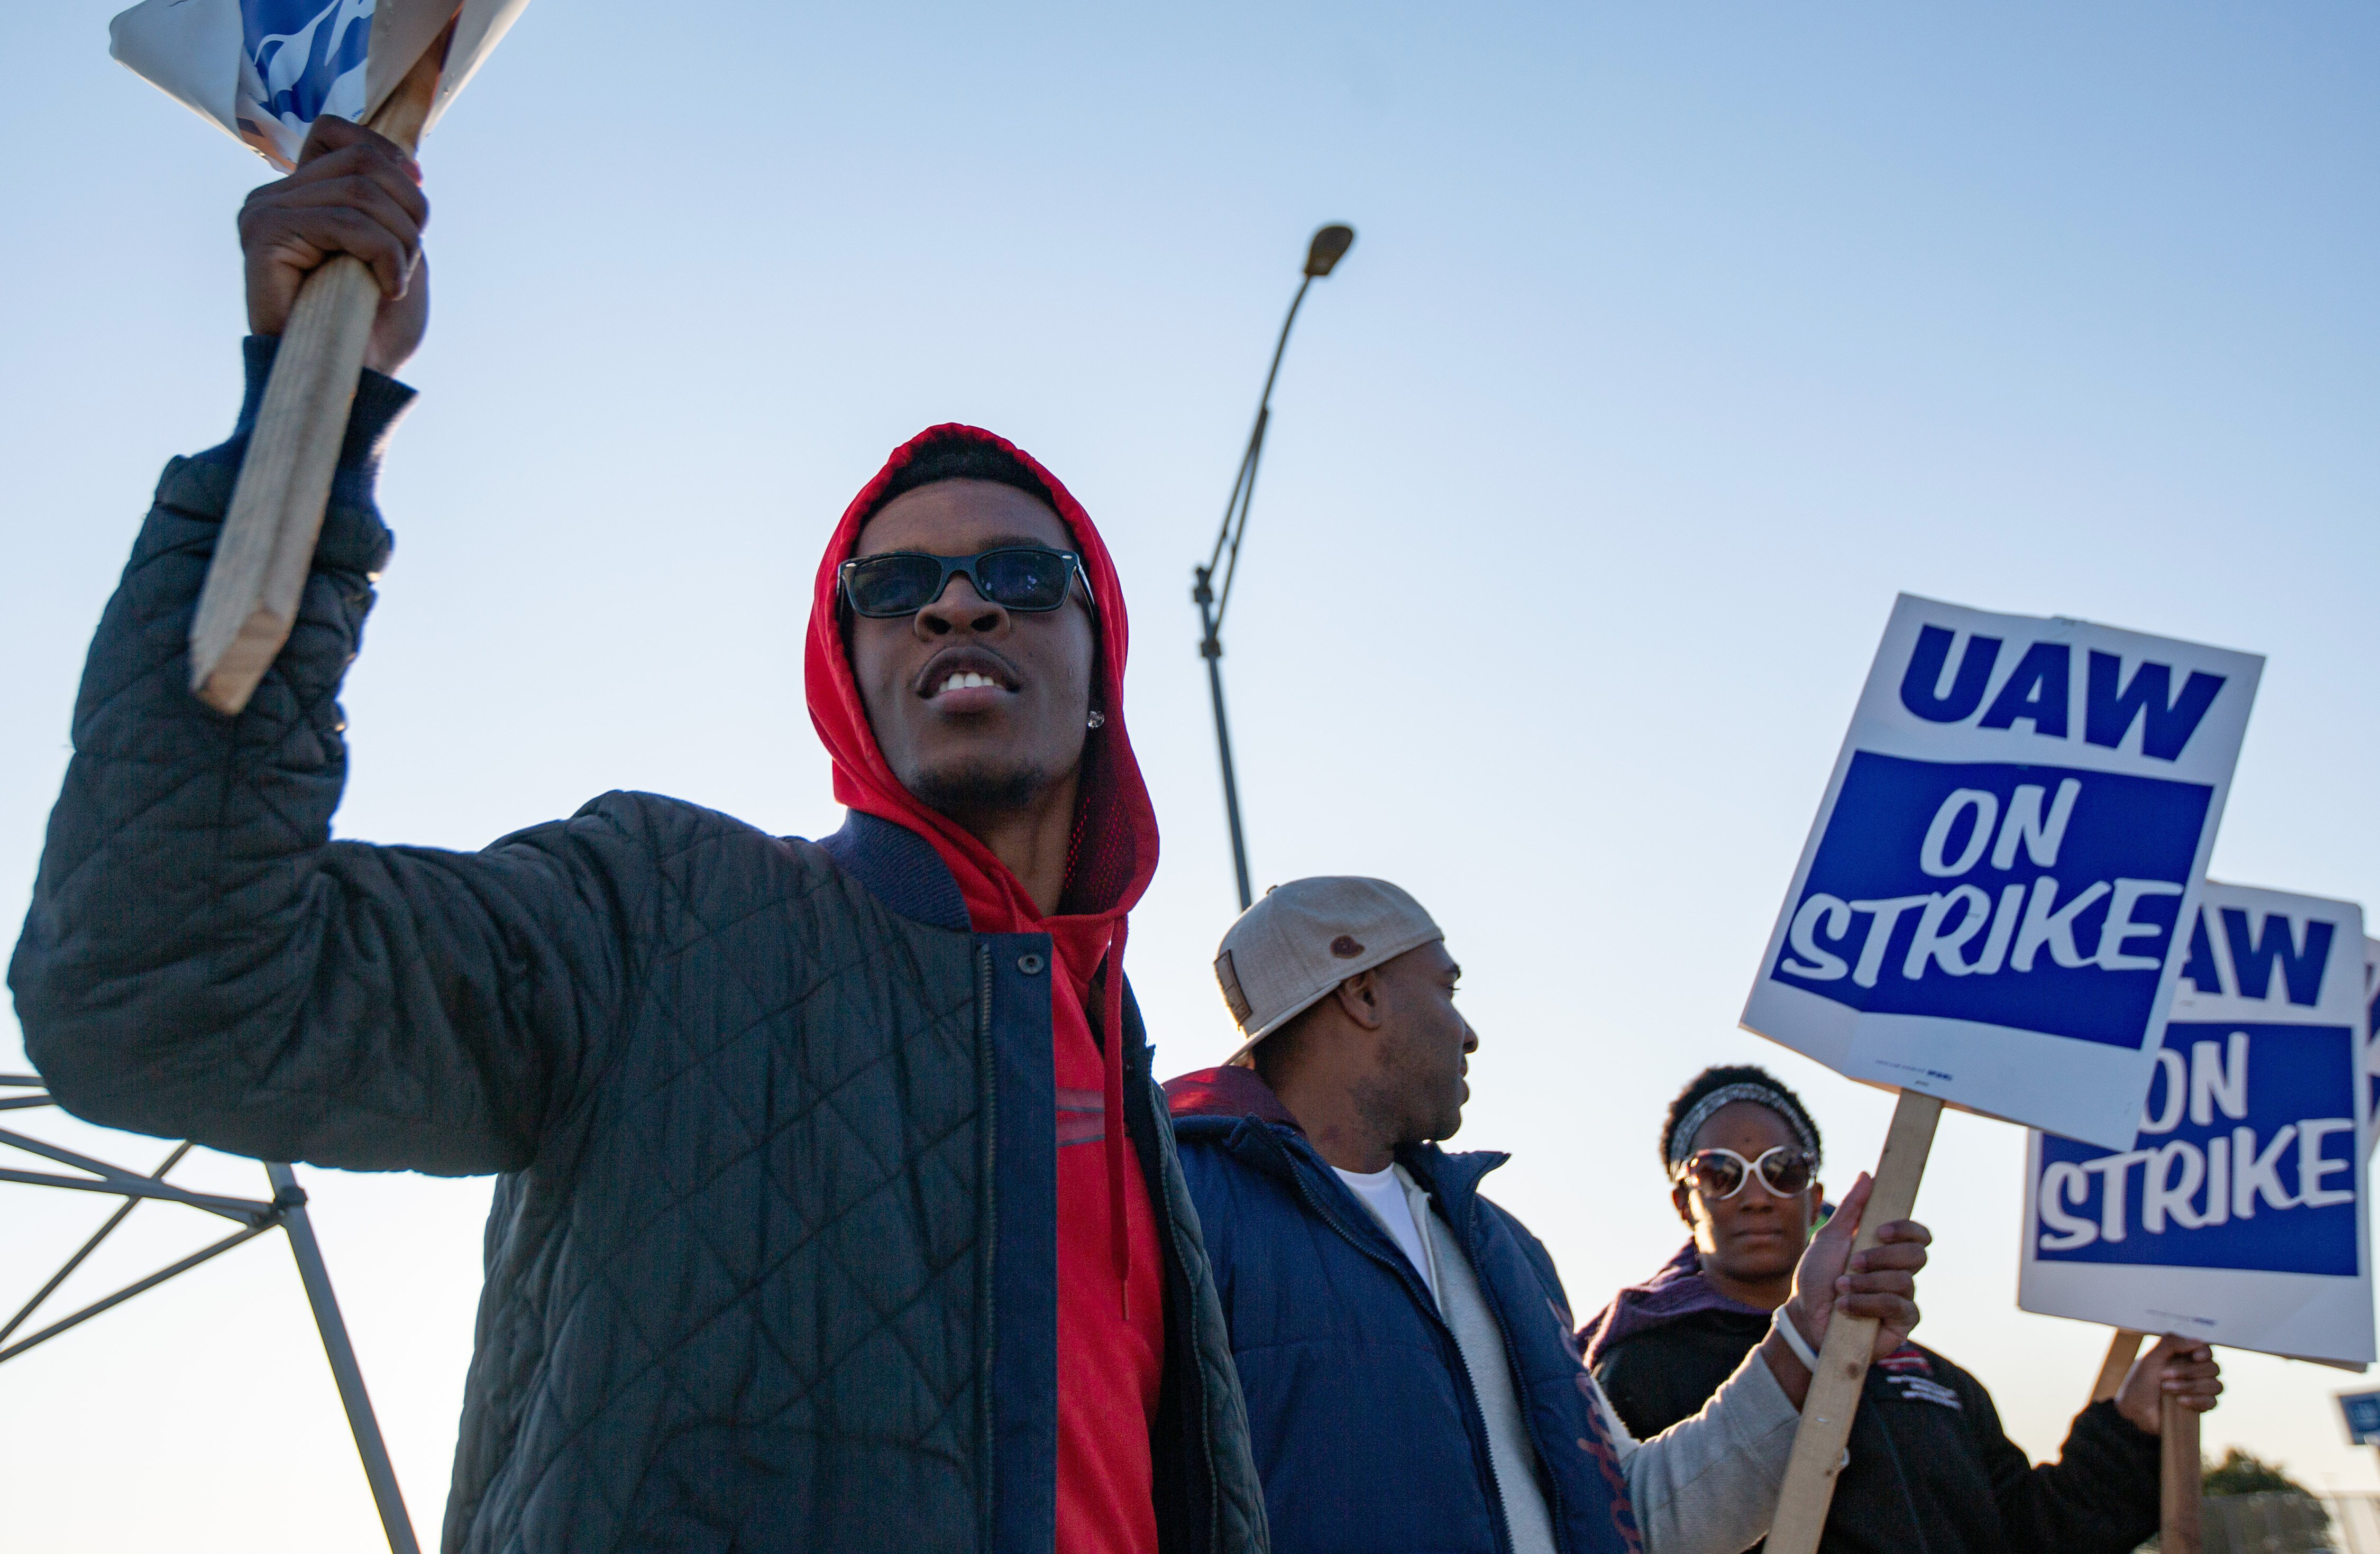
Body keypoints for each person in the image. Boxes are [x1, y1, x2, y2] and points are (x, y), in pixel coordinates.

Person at [9, 118, 1265, 1554]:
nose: (956, 604)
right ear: (842, 672)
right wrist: (310, 410)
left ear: (1100, 662)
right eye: (894, 581)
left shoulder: (1119, 1060)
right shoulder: (660, 912)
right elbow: (157, 986)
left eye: (1020, 574)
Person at [1163, 877, 1935, 1554]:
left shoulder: (1501, 1249)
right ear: (1363, 994)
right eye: (1448, 987)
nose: (1469, 1032)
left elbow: (1633, 1519)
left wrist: (1807, 1333)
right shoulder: (1183, 1215)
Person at [1583, 1063, 2225, 1554]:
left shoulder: (1930, 1378)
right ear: (1683, 1202)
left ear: (1817, 1194)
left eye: (1783, 1168)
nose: (1757, 1196)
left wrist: (2130, 1422)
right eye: (1721, 1172)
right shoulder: (1639, 1369)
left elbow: (2031, 1534)